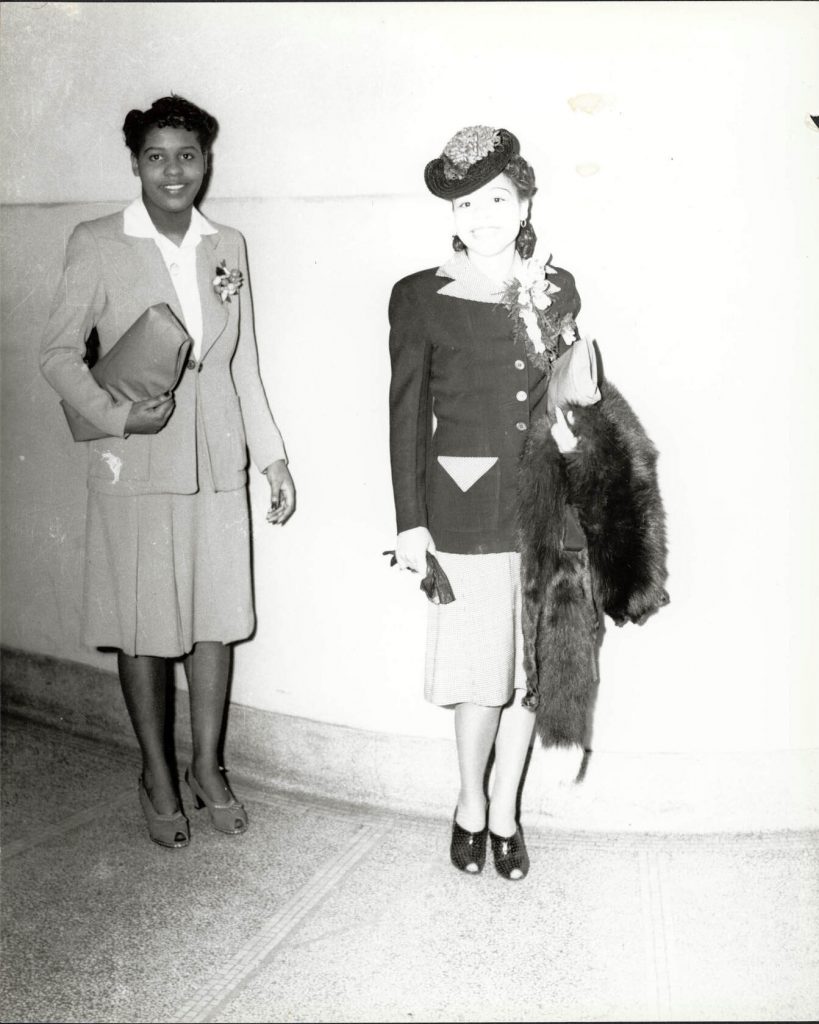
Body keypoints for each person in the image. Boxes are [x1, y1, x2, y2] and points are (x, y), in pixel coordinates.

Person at [40, 95, 296, 849]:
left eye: (187, 154)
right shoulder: (97, 240)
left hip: (217, 459)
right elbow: (56, 352)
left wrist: (272, 455)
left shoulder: (229, 245)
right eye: (156, 156)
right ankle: (156, 771)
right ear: (135, 163)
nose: (173, 170)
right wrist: (117, 417)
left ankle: (208, 768)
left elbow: (241, 361)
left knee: (216, 621)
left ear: (206, 161)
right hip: (138, 461)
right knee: (144, 627)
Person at [388, 126, 588, 880]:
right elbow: (404, 415)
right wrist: (410, 521)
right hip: (463, 512)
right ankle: (469, 803)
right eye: (466, 203)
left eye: (496, 199)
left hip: (544, 507)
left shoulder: (556, 287)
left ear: (524, 199)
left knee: (532, 670)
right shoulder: (419, 296)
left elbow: (564, 389)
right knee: (479, 673)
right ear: (450, 213)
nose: (482, 216)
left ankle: (506, 809)